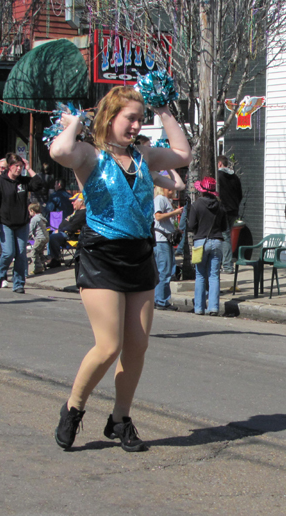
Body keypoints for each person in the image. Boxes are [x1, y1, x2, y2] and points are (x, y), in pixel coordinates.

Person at [49, 85, 192, 452]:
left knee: (137, 346)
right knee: (109, 345)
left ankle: (120, 419)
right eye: (130, 118)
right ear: (110, 117)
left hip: (140, 255)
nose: (136, 125)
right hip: (102, 255)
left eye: (140, 119)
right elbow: (60, 151)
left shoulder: (144, 155)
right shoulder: (89, 154)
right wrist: (77, 120)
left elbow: (182, 155)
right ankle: (73, 408)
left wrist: (163, 110)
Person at [0, 153, 44, 294]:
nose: (19, 169)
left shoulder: (23, 181)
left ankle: (18, 283)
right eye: (16, 166)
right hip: (5, 222)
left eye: (21, 166)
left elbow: (38, 184)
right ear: (9, 166)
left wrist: (29, 168)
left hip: (22, 223)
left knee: (20, 254)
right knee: (8, 252)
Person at [188, 177, 227, 315]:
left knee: (200, 275)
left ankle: (199, 307)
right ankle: (213, 307)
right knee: (214, 275)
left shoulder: (196, 205)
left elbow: (191, 225)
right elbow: (224, 227)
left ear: (202, 190)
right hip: (217, 241)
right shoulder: (220, 206)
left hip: (201, 242)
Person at [152, 185, 183, 310]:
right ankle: (161, 300)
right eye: (169, 189)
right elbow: (158, 216)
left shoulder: (166, 200)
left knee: (167, 270)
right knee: (164, 270)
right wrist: (175, 212)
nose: (172, 191)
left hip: (166, 239)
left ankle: (159, 298)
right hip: (161, 240)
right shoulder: (160, 199)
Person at [217, 155, 243, 273]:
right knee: (227, 236)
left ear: (219, 164)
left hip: (223, 210)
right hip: (233, 210)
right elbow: (240, 194)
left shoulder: (218, 176)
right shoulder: (235, 177)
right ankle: (225, 263)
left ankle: (227, 265)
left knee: (224, 236)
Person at [46, 195, 86, 268]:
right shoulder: (76, 212)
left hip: (73, 236)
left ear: (81, 202)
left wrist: (60, 229)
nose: (72, 203)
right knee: (50, 235)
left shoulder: (83, 213)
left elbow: (72, 226)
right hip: (67, 233)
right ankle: (53, 258)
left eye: (74, 201)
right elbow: (66, 222)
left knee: (53, 237)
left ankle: (55, 259)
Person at [28, 202, 49, 275]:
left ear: (32, 211)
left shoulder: (34, 219)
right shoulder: (41, 217)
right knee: (40, 252)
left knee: (34, 252)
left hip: (39, 238)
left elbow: (30, 230)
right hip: (45, 237)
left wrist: (26, 237)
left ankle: (38, 267)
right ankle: (43, 264)